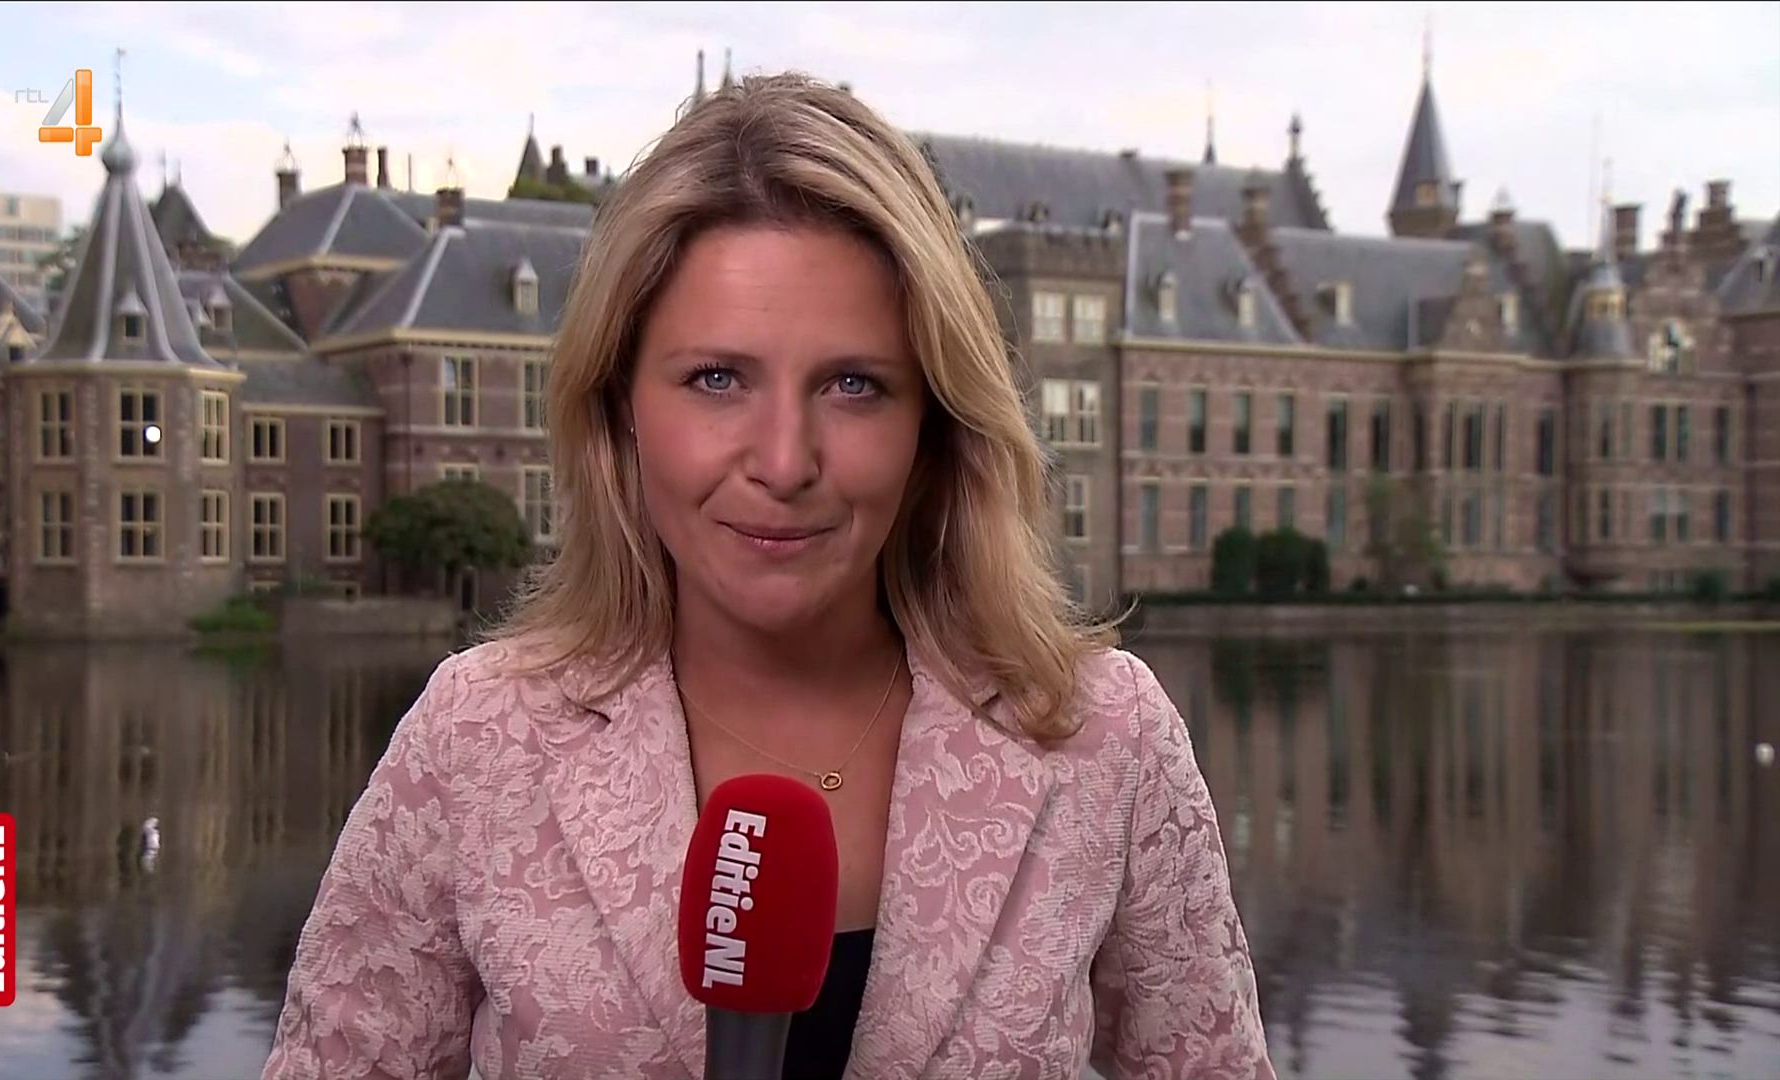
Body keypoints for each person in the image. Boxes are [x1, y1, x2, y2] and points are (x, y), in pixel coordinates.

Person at [263, 73, 1273, 1080]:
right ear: (620, 406)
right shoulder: (478, 740)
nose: (785, 462)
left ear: (934, 423)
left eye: (854, 385)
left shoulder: (1103, 740)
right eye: (717, 379)